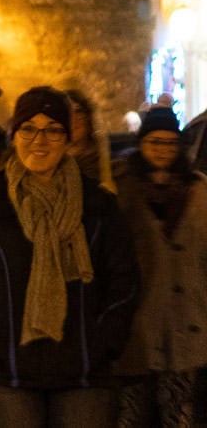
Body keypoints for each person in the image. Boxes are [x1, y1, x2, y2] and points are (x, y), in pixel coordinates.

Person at [0, 86, 139, 426]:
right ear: (14, 135)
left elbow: (123, 280)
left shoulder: (97, 205)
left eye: (53, 130)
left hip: (84, 374)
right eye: (29, 128)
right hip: (8, 373)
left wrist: (104, 341)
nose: (40, 139)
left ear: (67, 138)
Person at [112, 106, 207, 426]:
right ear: (143, 144)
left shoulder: (199, 189)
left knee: (179, 414)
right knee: (132, 415)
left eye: (170, 143)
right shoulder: (121, 188)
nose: (163, 150)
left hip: (185, 323)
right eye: (156, 142)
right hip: (137, 323)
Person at [65, 89, 114, 188]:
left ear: (88, 117)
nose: (73, 118)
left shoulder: (106, 161)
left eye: (78, 111)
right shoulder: (53, 162)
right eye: (67, 112)